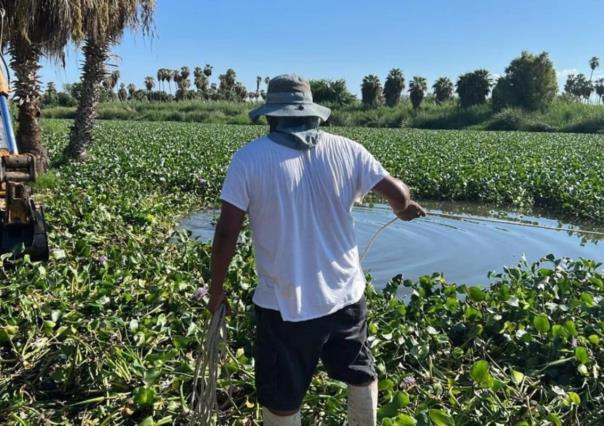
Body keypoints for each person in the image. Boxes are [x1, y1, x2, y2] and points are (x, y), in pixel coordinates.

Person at [208, 74, 426, 425]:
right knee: (359, 373)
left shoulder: (249, 159)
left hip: (284, 308)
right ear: (313, 112)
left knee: (282, 398)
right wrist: (403, 208)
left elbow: (225, 235)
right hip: (346, 299)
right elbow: (398, 194)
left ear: (271, 115)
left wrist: (216, 292)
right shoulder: (348, 149)